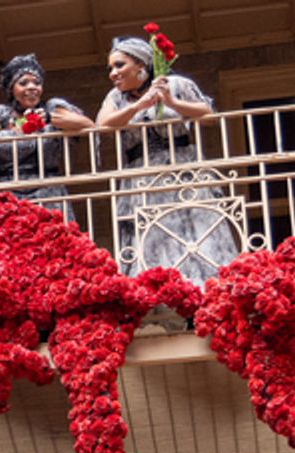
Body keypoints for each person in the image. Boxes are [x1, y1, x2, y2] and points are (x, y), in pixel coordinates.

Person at [97, 36, 240, 283]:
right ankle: (159, 295)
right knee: (152, 239)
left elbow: (209, 115)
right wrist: (138, 106)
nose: (113, 73)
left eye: (119, 65)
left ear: (141, 64)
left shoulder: (174, 83)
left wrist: (172, 102)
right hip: (142, 176)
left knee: (194, 233)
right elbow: (102, 125)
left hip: (181, 171)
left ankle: (204, 291)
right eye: (110, 68)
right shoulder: (116, 97)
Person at [0, 54, 93, 221]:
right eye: (23, 83)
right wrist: (1, 124)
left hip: (49, 195)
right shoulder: (0, 113)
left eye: (36, 83)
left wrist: (48, 118)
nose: (31, 87)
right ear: (12, 89)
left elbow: (88, 125)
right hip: (8, 197)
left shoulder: (52, 108)